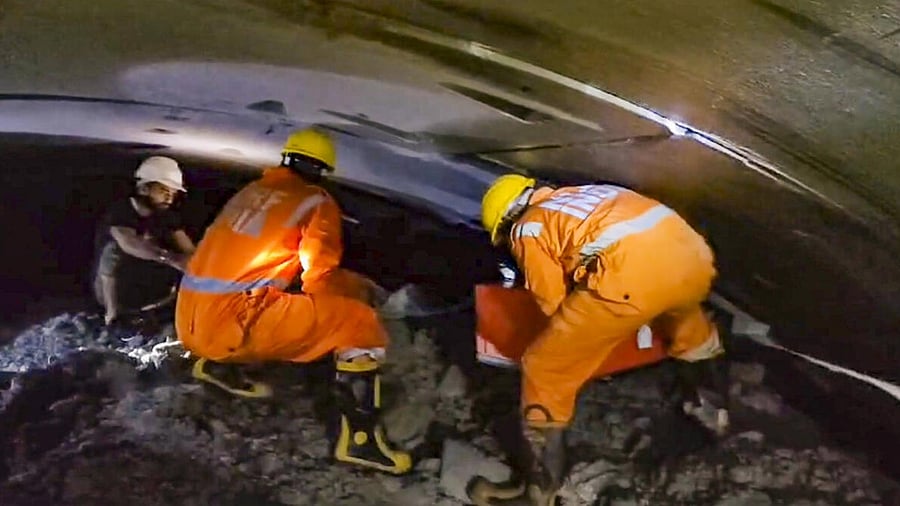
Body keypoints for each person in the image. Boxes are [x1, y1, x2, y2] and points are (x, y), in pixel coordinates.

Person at [471, 174, 728, 505]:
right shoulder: (582, 194)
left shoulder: (527, 228)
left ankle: (539, 493)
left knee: (543, 366)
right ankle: (715, 412)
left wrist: (583, 344)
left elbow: (553, 304)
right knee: (688, 327)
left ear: (507, 220)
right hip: (693, 258)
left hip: (631, 277)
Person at [175, 127, 411, 475]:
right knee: (358, 322)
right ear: (320, 171)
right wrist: (345, 310)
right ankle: (362, 444)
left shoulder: (251, 191)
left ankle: (214, 364)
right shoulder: (315, 201)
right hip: (232, 326)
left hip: (189, 322)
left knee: (276, 300)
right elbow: (319, 275)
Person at [92, 156, 195, 330]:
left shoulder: (166, 216)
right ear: (144, 188)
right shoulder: (121, 212)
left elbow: (188, 248)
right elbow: (129, 243)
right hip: (119, 295)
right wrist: (171, 259)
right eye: (163, 190)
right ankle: (113, 314)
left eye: (173, 193)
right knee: (113, 251)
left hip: (156, 297)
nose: (169, 198)